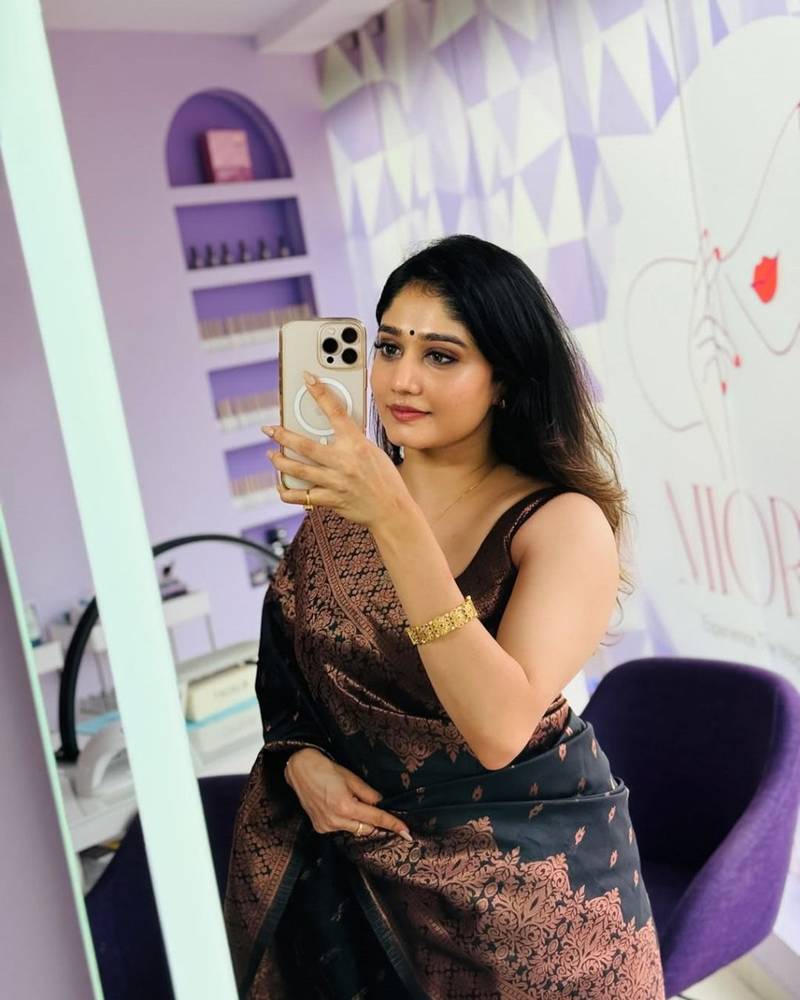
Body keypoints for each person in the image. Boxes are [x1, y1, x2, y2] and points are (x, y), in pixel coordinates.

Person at [223, 234, 666, 999]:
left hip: (531, 911)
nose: (401, 378)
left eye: (441, 356)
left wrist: (395, 520)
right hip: (357, 889)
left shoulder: (560, 524)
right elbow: (290, 676)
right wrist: (298, 763)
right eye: (389, 346)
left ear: (505, 380)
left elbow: (497, 729)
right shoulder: (337, 515)